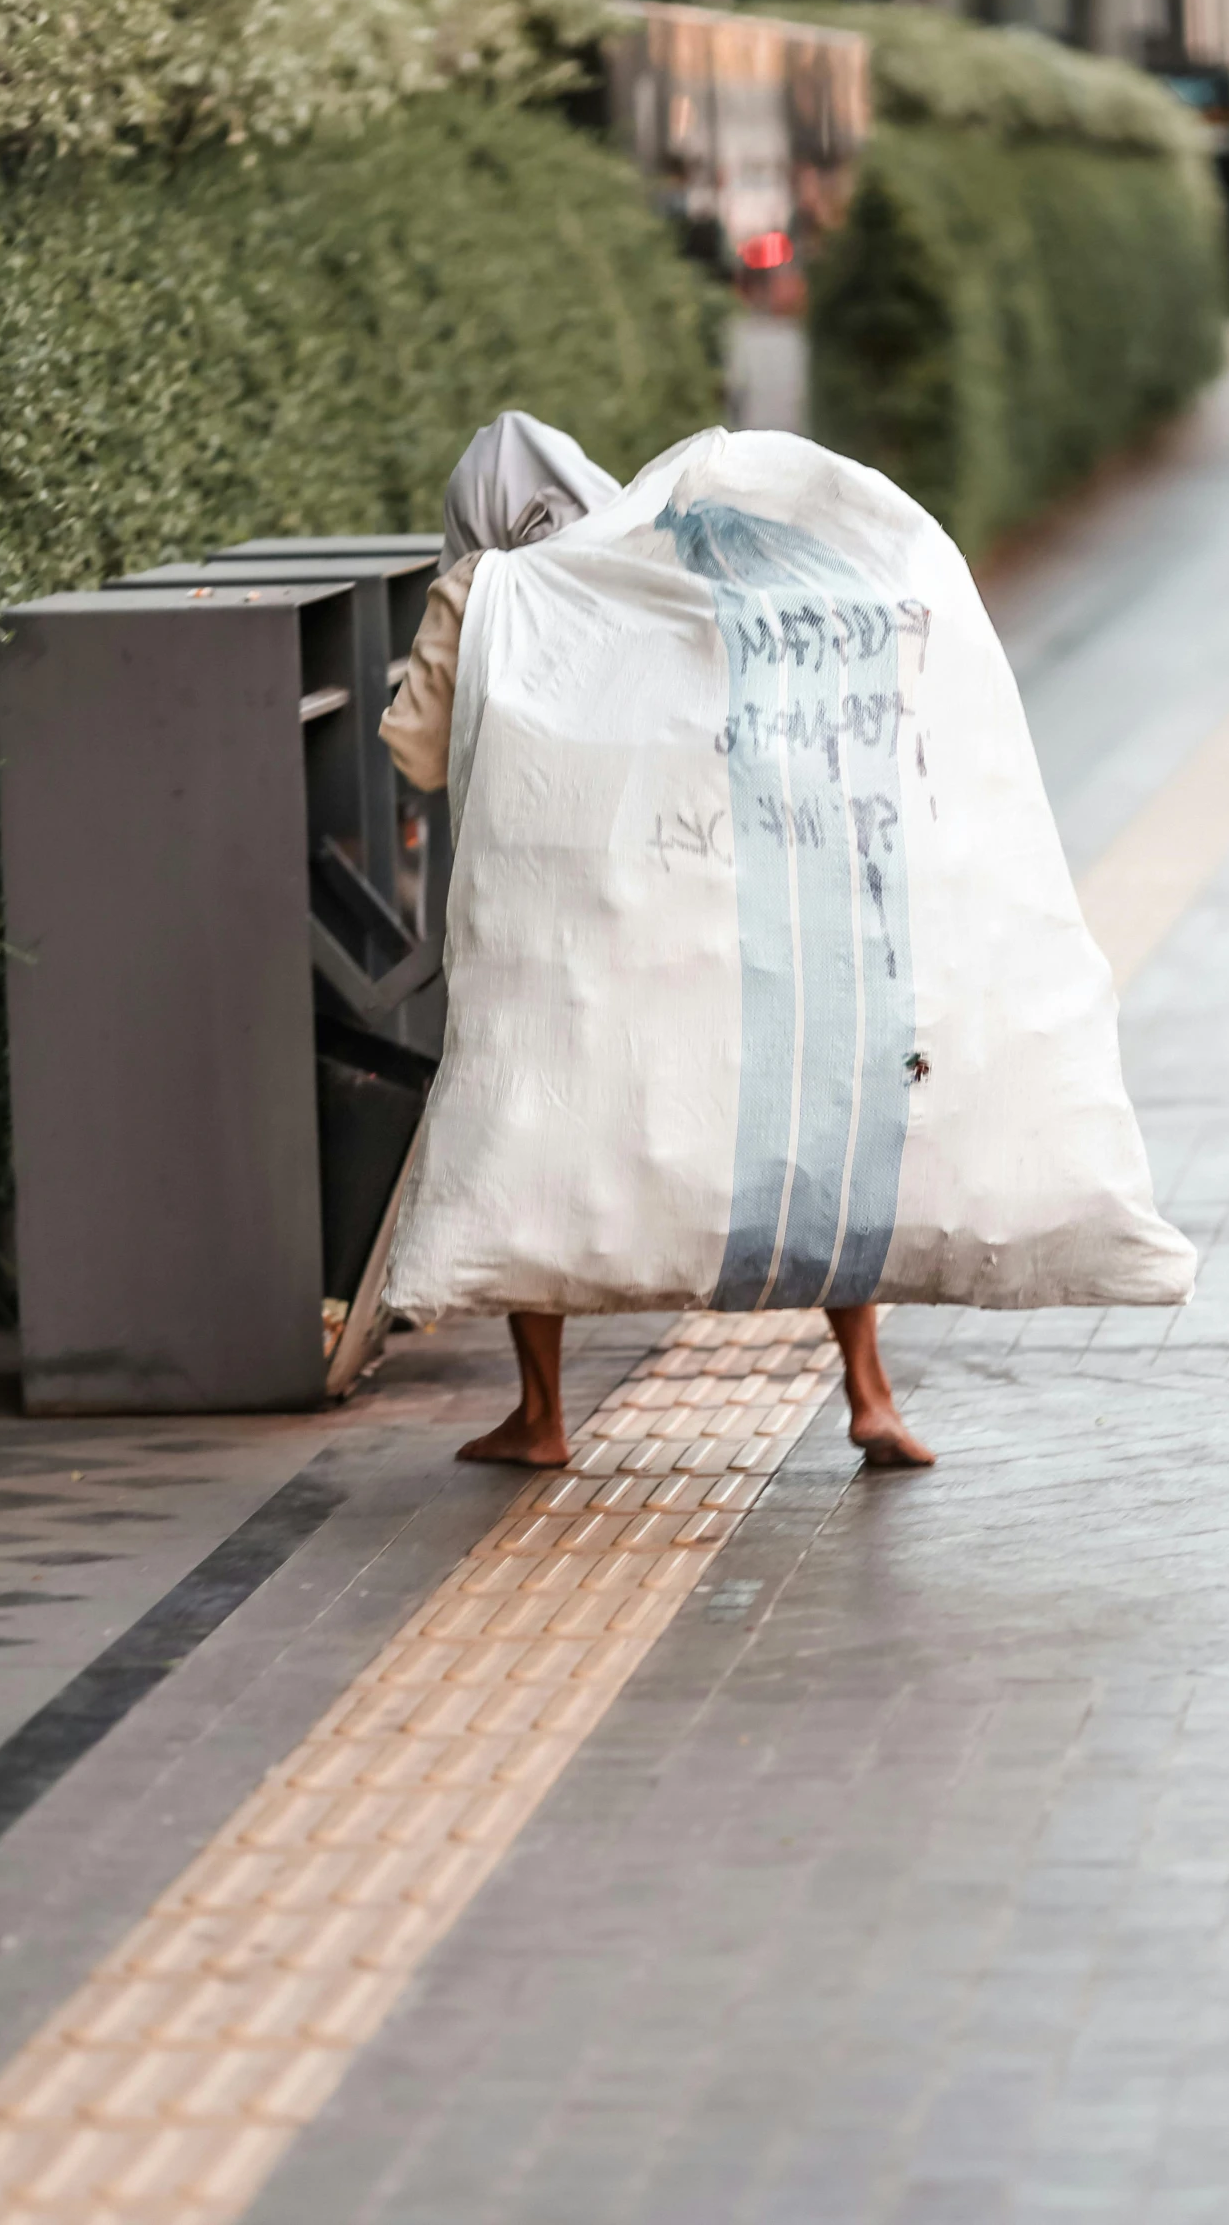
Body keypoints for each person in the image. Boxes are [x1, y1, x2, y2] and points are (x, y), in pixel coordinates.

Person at [380, 410, 934, 1471]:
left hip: (563, 927)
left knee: (530, 1144)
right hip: (703, 902)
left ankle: (541, 1418)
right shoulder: (667, 551)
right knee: (808, 1132)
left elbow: (414, 753)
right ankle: (868, 1393)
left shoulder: (487, 589)